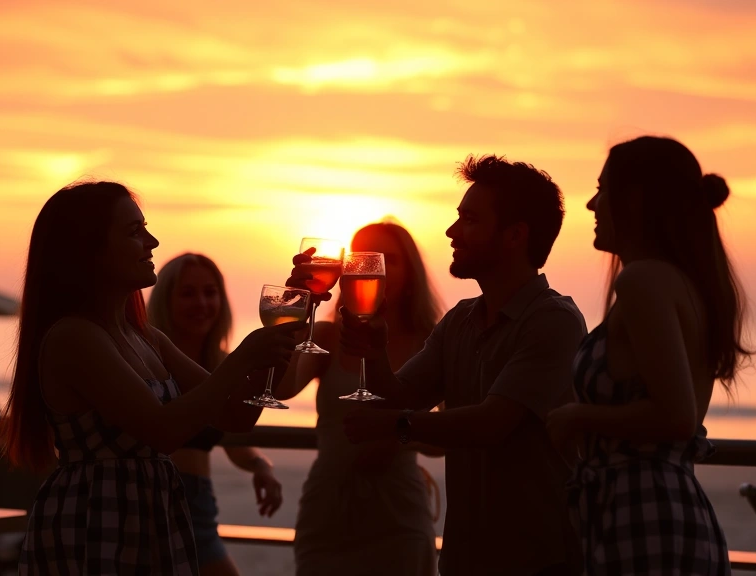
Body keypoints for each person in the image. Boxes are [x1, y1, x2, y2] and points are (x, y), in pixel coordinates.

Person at [0, 181, 303, 575]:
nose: (152, 240)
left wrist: (292, 318)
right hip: (97, 521)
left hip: (150, 519)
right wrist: (244, 355)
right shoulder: (73, 337)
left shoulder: (145, 337)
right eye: (134, 232)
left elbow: (237, 417)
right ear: (89, 250)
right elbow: (163, 431)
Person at [324, 156, 587, 576]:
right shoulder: (460, 320)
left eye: (469, 220)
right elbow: (399, 396)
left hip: (540, 559)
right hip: (466, 559)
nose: (451, 231)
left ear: (515, 235)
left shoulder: (553, 320)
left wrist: (397, 426)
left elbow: (490, 424)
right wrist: (374, 353)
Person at [545, 136, 752, 575]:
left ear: (634, 201)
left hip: (643, 511)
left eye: (603, 189)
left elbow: (676, 417)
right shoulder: (686, 283)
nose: (591, 204)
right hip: (664, 509)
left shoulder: (642, 282)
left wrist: (576, 417)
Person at [279, 221, 445, 576]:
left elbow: (445, 440)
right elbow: (281, 389)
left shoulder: (431, 342)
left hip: (398, 515)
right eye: (362, 259)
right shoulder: (325, 335)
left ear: (411, 271)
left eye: (388, 259)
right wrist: (296, 309)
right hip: (328, 512)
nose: (373, 268)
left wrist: (398, 435)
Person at [147, 252, 284, 575]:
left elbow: (232, 427)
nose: (202, 303)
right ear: (165, 301)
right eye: (188, 293)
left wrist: (259, 464)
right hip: (154, 503)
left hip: (200, 505)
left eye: (210, 292)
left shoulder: (222, 365)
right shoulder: (149, 359)